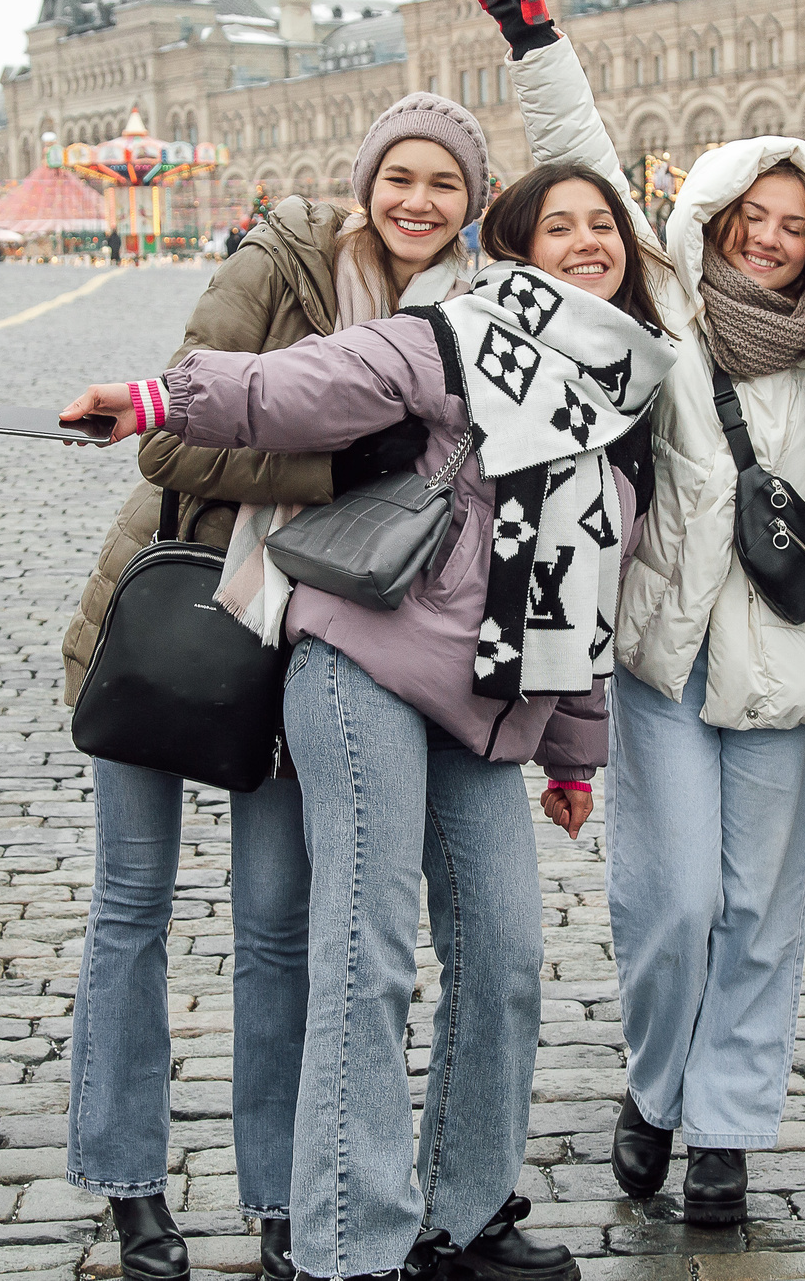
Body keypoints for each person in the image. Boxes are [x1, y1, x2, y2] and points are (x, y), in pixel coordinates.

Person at [60, 161, 675, 1281]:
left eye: (606, 226)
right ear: (513, 251)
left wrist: (576, 755)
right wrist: (154, 400)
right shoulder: (452, 333)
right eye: (562, 226)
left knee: (506, 958)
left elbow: (595, 588)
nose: (589, 242)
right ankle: (348, 1242)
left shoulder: (631, 392)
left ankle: (462, 1209)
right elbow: (298, 386)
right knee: (366, 950)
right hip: (366, 662)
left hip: (487, 704)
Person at [57, 92, 493, 1281]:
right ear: (367, 181)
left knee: (275, 929)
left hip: (306, 642)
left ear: (470, 205)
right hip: (176, 616)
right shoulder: (286, 259)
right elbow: (166, 435)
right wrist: (335, 458)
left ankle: (276, 1195)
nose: (417, 201)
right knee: (132, 902)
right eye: (399, 176)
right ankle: (127, 1179)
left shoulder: (475, 315)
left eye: (444, 184)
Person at [466, 0, 805, 1225]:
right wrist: (535, 44)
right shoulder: (669, 312)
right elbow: (599, 184)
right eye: (759, 220)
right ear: (722, 219)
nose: (780, 243)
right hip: (666, 656)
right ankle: (654, 1089)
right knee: (673, 903)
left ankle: (724, 1135)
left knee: (759, 912)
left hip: (786, 666)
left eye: (800, 226)